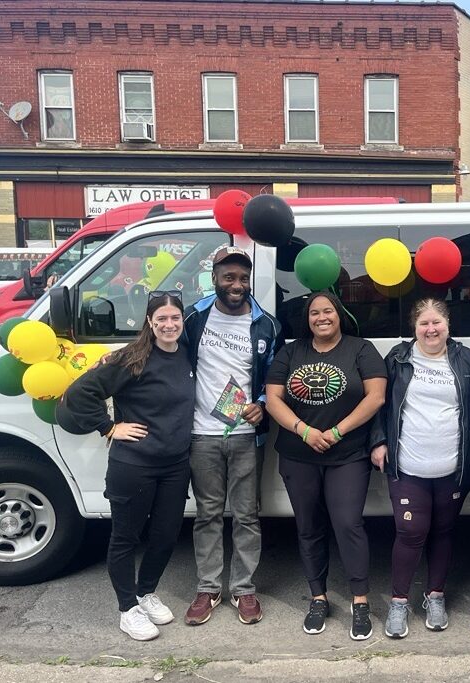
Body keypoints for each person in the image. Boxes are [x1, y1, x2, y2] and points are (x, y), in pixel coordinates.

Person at [56, 292, 195, 641]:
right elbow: (78, 394)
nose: (168, 325)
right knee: (125, 538)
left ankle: (145, 592)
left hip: (175, 464)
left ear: (182, 320)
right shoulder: (130, 359)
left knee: (165, 536)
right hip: (134, 465)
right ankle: (126, 608)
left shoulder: (185, 354)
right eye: (161, 318)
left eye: (174, 318)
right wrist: (108, 427)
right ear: (149, 321)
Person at [264, 291, 387, 640]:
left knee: (349, 524)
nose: (322, 318)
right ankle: (318, 597)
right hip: (298, 453)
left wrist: (336, 431)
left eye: (328, 311)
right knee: (308, 526)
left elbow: (376, 396)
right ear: (308, 319)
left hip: (346, 453)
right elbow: (272, 398)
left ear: (339, 314)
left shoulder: (360, 349)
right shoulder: (290, 351)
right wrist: (304, 430)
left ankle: (359, 600)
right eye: (315, 313)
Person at [369, 298, 470, 638]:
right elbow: (378, 403)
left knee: (444, 531)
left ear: (448, 325)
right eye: (424, 324)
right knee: (410, 533)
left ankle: (435, 596)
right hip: (408, 466)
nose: (431, 330)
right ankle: (399, 602)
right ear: (414, 328)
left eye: (437, 323)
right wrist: (378, 441)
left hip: (453, 467)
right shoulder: (398, 359)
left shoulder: (465, 360)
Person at [182, 246, 281, 627]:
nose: (236, 284)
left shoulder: (266, 325)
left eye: (243, 278)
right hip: (201, 434)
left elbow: (275, 376)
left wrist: (260, 403)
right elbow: (173, 361)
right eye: (229, 277)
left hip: (246, 436)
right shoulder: (194, 317)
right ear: (215, 278)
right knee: (207, 514)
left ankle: (243, 588)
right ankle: (208, 588)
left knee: (246, 515)